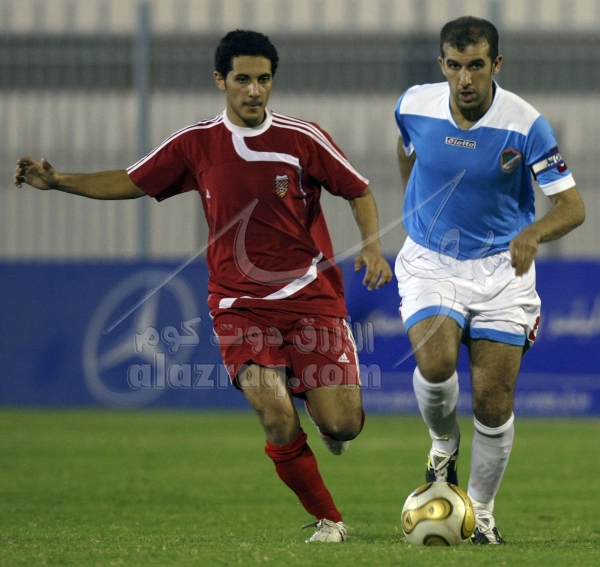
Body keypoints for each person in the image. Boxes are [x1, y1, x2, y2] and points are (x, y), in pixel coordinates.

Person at [14, 29, 392, 543]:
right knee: (275, 414)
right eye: (243, 79)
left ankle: (329, 423)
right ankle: (330, 519)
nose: (254, 90)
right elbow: (131, 180)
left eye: (263, 79)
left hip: (310, 296)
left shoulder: (302, 138)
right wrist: (59, 181)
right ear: (220, 80)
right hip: (238, 304)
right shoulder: (196, 143)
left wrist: (371, 246)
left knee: (344, 423)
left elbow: (359, 190)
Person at [394, 16, 585, 544]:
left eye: (476, 65)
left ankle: (480, 514)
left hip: (503, 268)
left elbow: (572, 207)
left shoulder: (526, 124)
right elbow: (407, 150)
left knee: (493, 400)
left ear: (496, 64)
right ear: (442, 65)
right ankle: (442, 444)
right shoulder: (413, 105)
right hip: (433, 260)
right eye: (455, 66)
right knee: (435, 363)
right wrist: (416, 208)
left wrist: (533, 233)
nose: (465, 79)